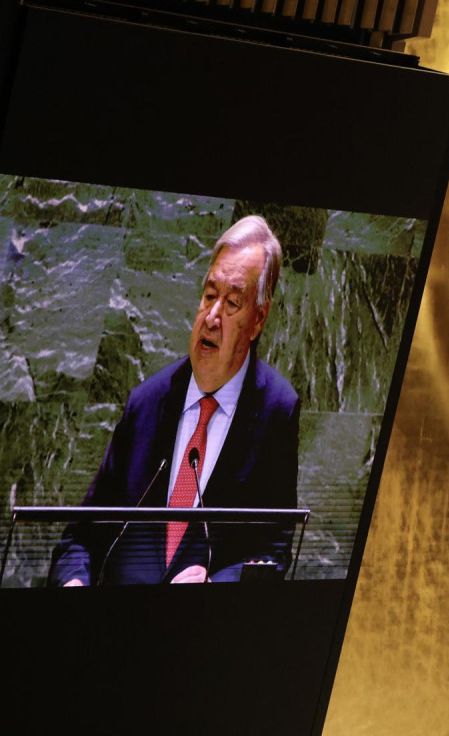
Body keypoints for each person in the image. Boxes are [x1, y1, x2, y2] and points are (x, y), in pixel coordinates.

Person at [49, 216, 300, 585]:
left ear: (258, 319)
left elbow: (273, 551)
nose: (211, 317)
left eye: (232, 303)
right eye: (209, 295)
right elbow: (81, 538)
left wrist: (215, 586)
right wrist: (73, 583)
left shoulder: (277, 409)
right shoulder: (147, 402)